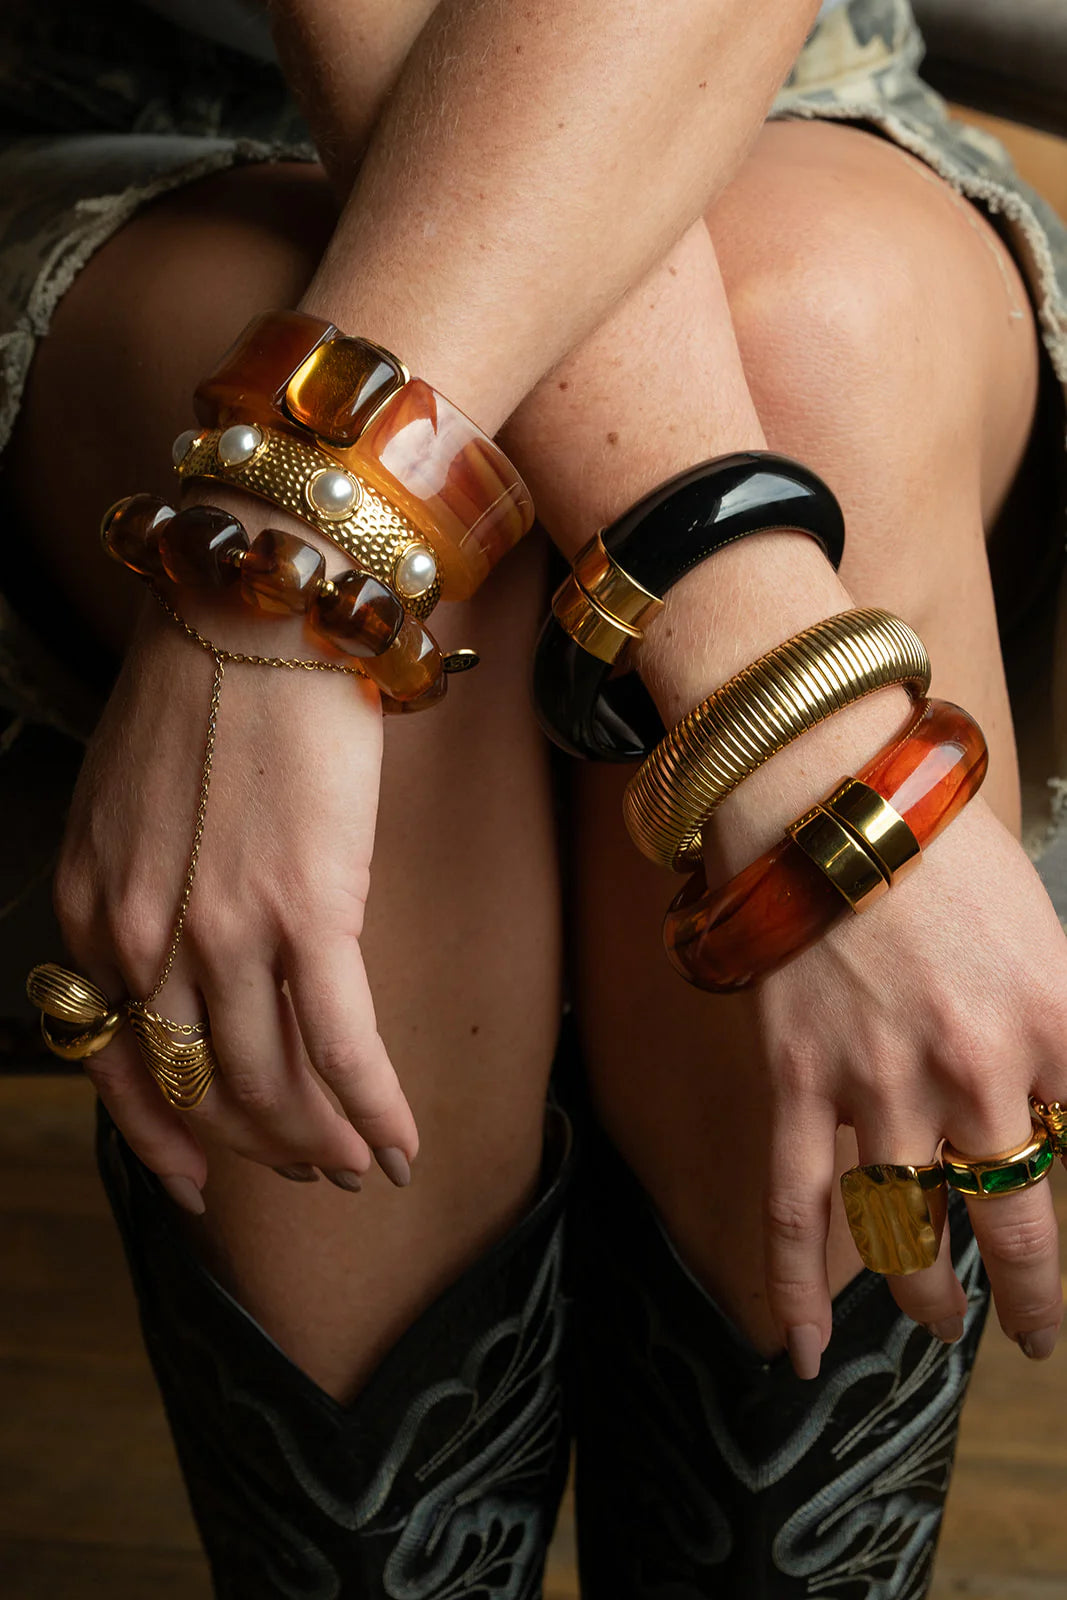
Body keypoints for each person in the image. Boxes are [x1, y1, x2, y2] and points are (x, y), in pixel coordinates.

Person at [4, 0, 1067, 1592]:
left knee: (816, 341)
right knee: (412, 578)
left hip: (763, 91)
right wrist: (333, 542)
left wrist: (304, 533)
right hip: (159, 123)